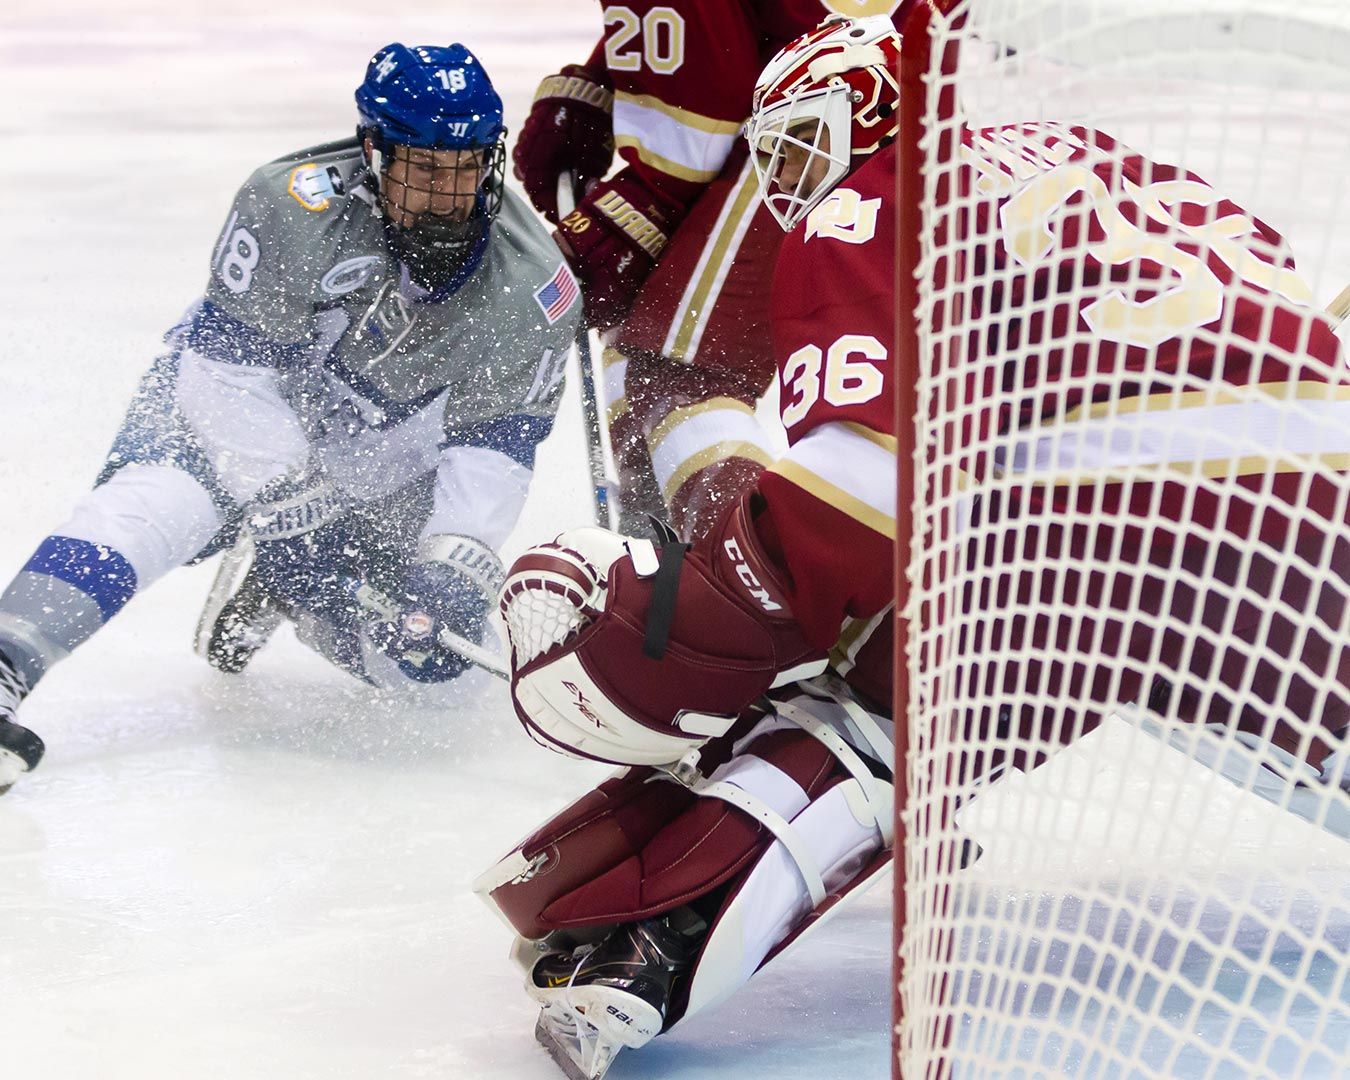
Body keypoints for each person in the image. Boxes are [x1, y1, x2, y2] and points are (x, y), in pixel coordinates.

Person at [477, 13, 1350, 1079]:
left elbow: (859, 501)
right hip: (1315, 538)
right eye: (780, 154)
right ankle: (647, 950)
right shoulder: (1122, 170)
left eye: (808, 139)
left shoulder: (871, 197)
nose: (796, 179)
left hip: (1104, 541)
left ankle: (650, 949)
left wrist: (689, 626)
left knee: (871, 710)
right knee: (908, 690)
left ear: (877, 114)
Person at [0, 42, 581, 794]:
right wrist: (285, 504)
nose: (449, 194)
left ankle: (288, 600)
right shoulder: (291, 203)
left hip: (382, 466)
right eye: (426, 169)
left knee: (436, 672)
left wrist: (447, 567)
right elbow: (224, 373)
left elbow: (495, 446)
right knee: (150, 509)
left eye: (466, 167)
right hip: (230, 421)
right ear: (375, 150)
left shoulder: (537, 285)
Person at [511, 1, 904, 542]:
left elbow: (711, 79)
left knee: (679, 374)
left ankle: (755, 578)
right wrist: (607, 76)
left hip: (832, 114)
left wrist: (649, 197)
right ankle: (667, 564)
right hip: (828, 89)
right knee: (638, 361)